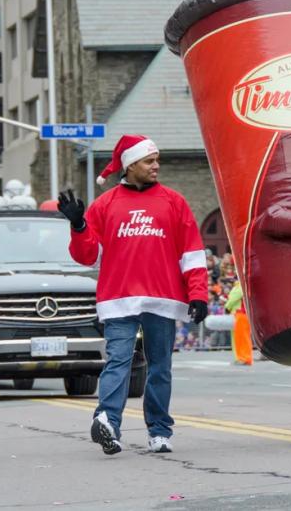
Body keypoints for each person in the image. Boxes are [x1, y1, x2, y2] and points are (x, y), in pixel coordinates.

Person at [59, 134, 208, 456]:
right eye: (149, 161)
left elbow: (192, 254)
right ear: (130, 165)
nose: (156, 166)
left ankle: (159, 431)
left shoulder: (174, 201)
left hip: (163, 298)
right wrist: (79, 226)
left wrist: (198, 294)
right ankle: (108, 421)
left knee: (160, 366)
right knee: (118, 362)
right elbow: (87, 257)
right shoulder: (105, 205)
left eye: (157, 160)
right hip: (118, 298)